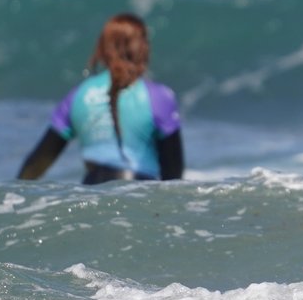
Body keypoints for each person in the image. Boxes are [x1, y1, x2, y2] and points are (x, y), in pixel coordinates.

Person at [18, 12, 184, 184]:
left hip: (91, 193)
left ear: (104, 48)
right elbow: (173, 175)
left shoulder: (79, 95)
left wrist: (13, 200)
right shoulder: (158, 96)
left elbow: (38, 162)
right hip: (139, 194)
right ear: (142, 48)